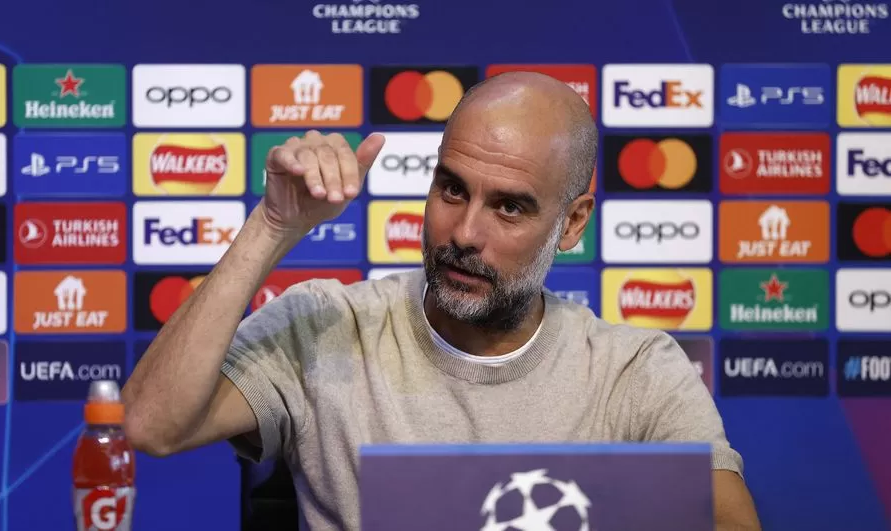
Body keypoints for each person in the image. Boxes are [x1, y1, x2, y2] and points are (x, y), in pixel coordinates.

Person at [121, 71, 761, 531]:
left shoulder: (636, 371)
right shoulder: (325, 326)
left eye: (509, 207)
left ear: (571, 224)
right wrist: (271, 226)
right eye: (452, 190)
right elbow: (150, 425)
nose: (465, 234)